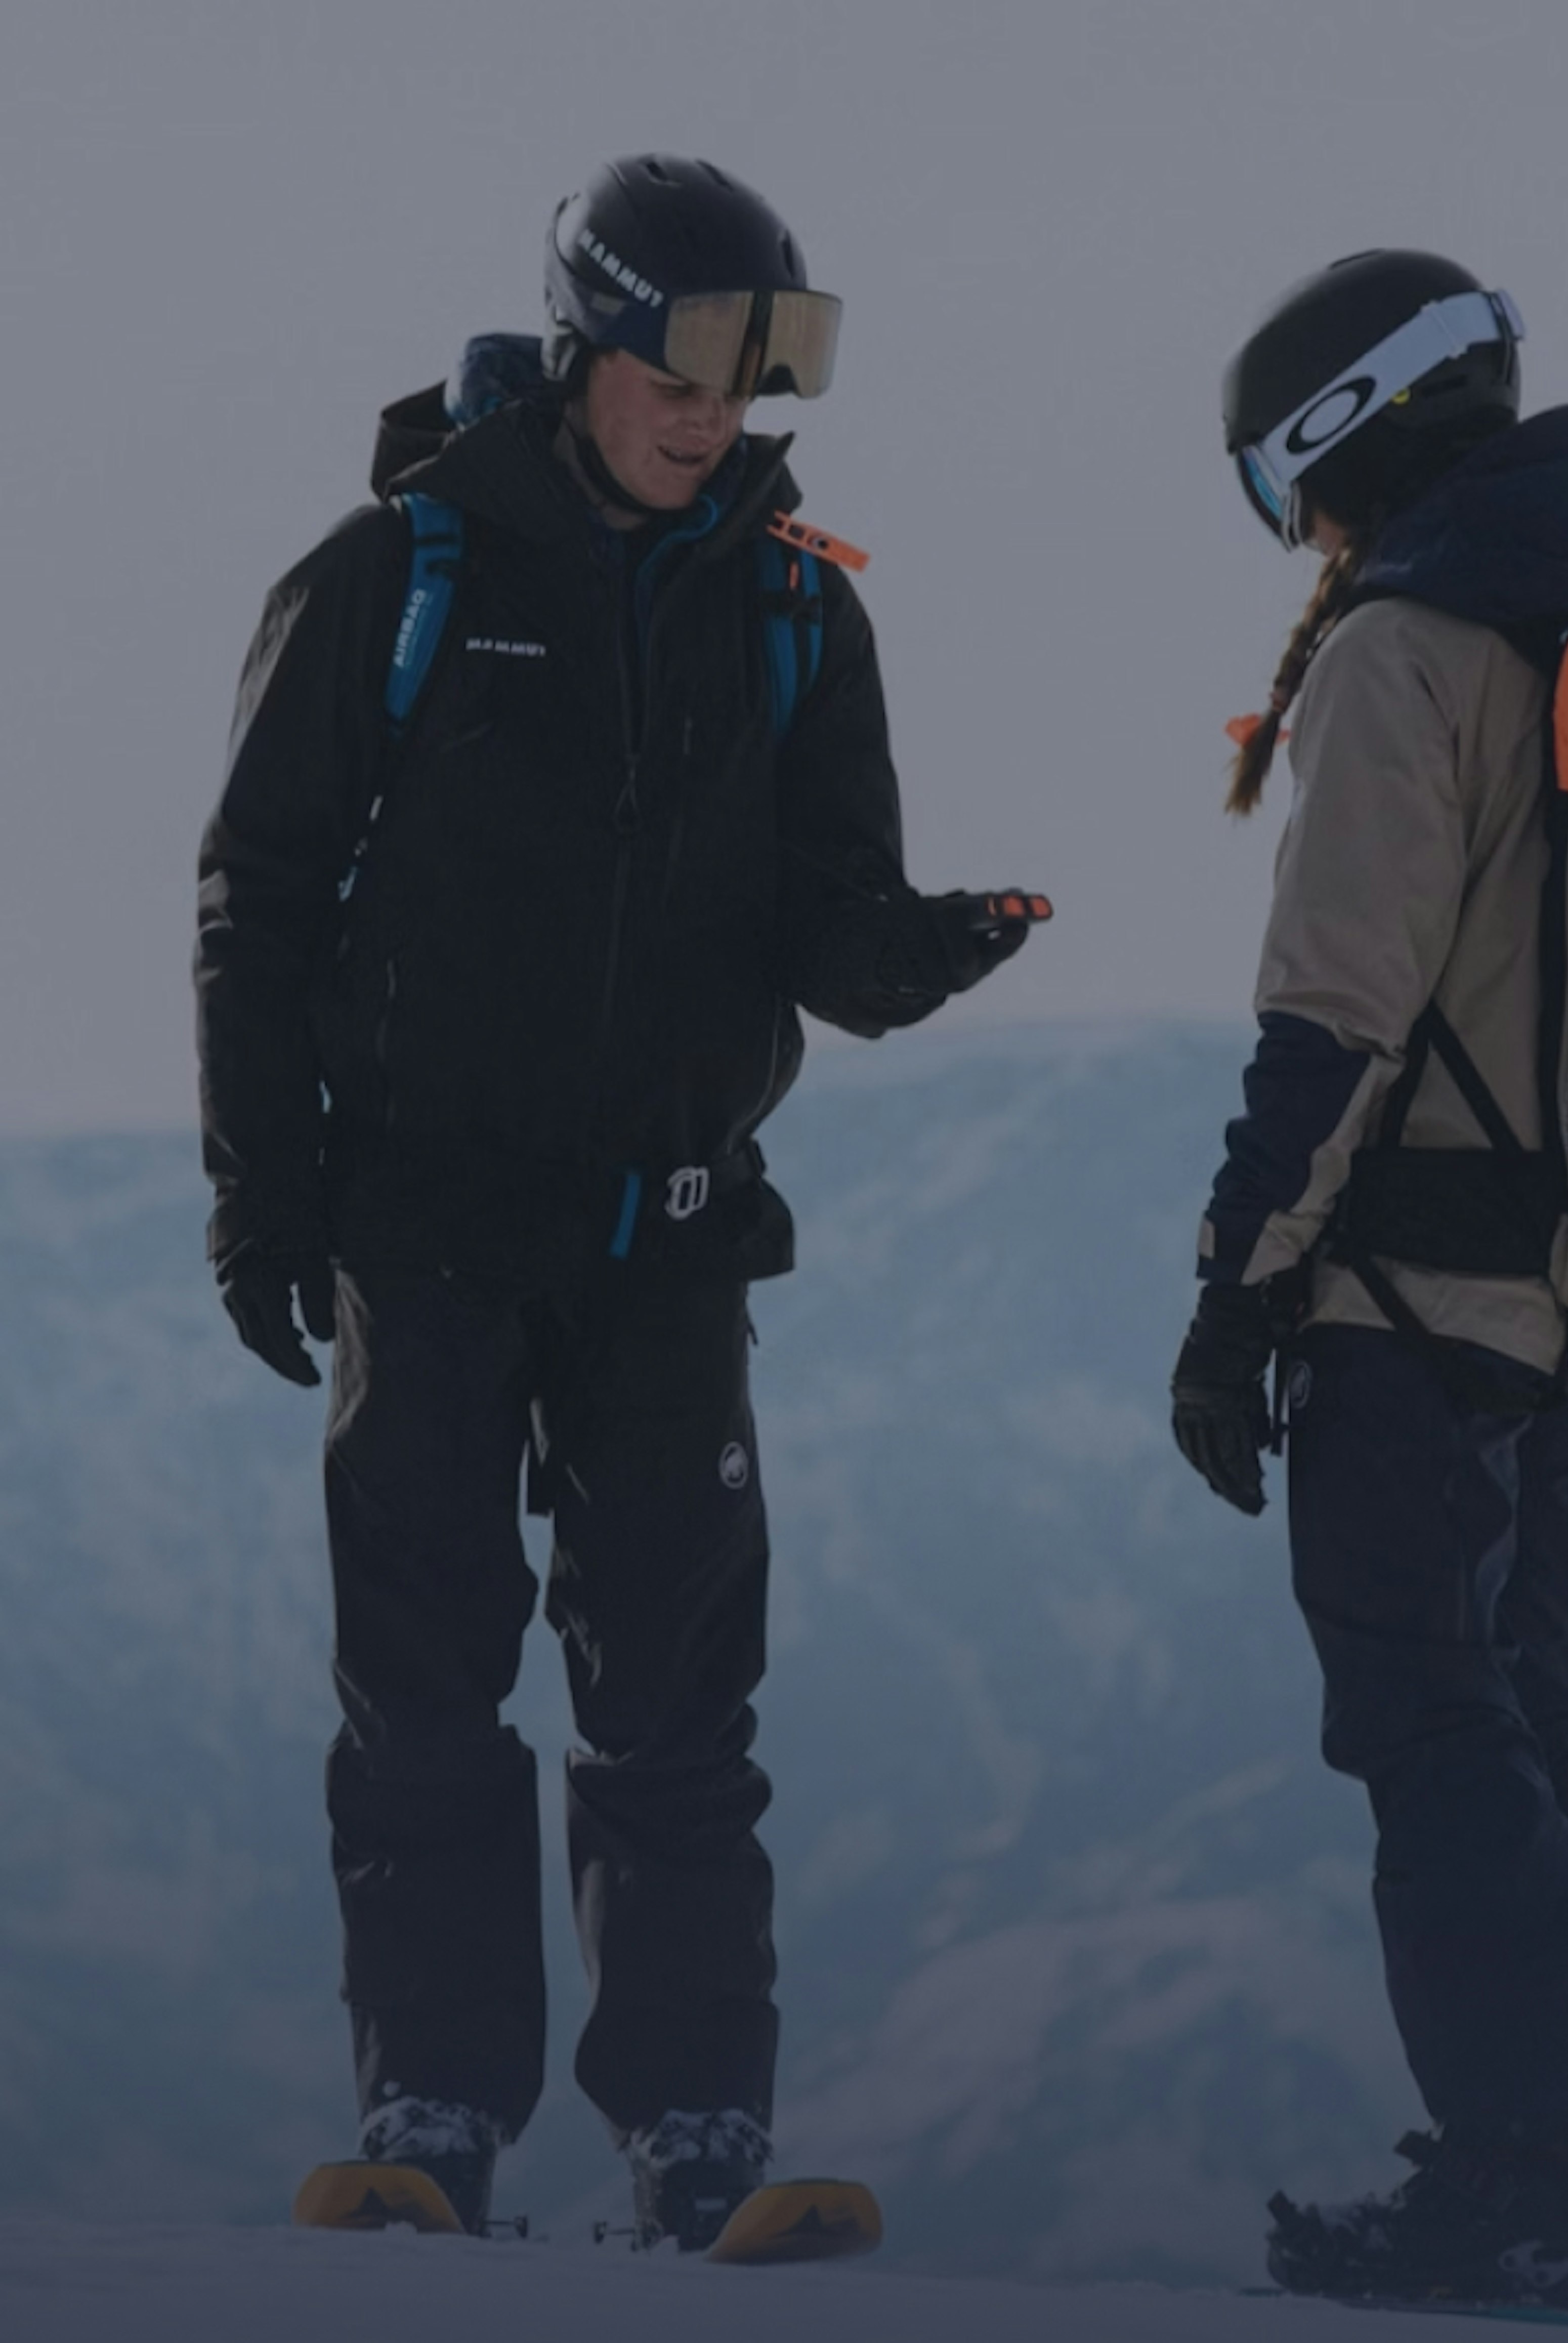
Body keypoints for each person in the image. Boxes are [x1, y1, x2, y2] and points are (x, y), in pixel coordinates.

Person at [195, 153, 1036, 2245]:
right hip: (426, 1226)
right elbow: (258, 896)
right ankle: (431, 2122)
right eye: (692, 361)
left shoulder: (797, 609)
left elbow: (828, 930)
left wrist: (912, 956)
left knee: (676, 1708)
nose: (721, 410)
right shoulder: (398, 571)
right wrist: (261, 1191)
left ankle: (698, 2144)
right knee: (428, 1692)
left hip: (668, 1238)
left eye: (765, 370)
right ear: (591, 343)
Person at [1169, 250, 1568, 2318]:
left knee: (1428, 1728)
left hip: (1410, 1303)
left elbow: (1336, 1017)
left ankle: (1521, 2183)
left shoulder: (1409, 650)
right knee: (1535, 1721)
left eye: (1279, 490)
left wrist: (1234, 1296)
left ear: (1345, 433)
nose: (1294, 540)